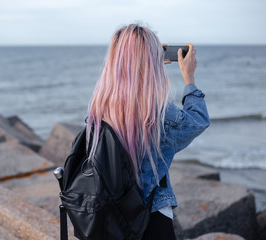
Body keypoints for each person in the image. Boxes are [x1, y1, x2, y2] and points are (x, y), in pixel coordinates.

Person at [85, 23, 210, 240]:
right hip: (150, 218)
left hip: (112, 215)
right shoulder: (156, 112)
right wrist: (189, 78)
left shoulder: (101, 104)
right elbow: (197, 122)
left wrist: (148, 62)